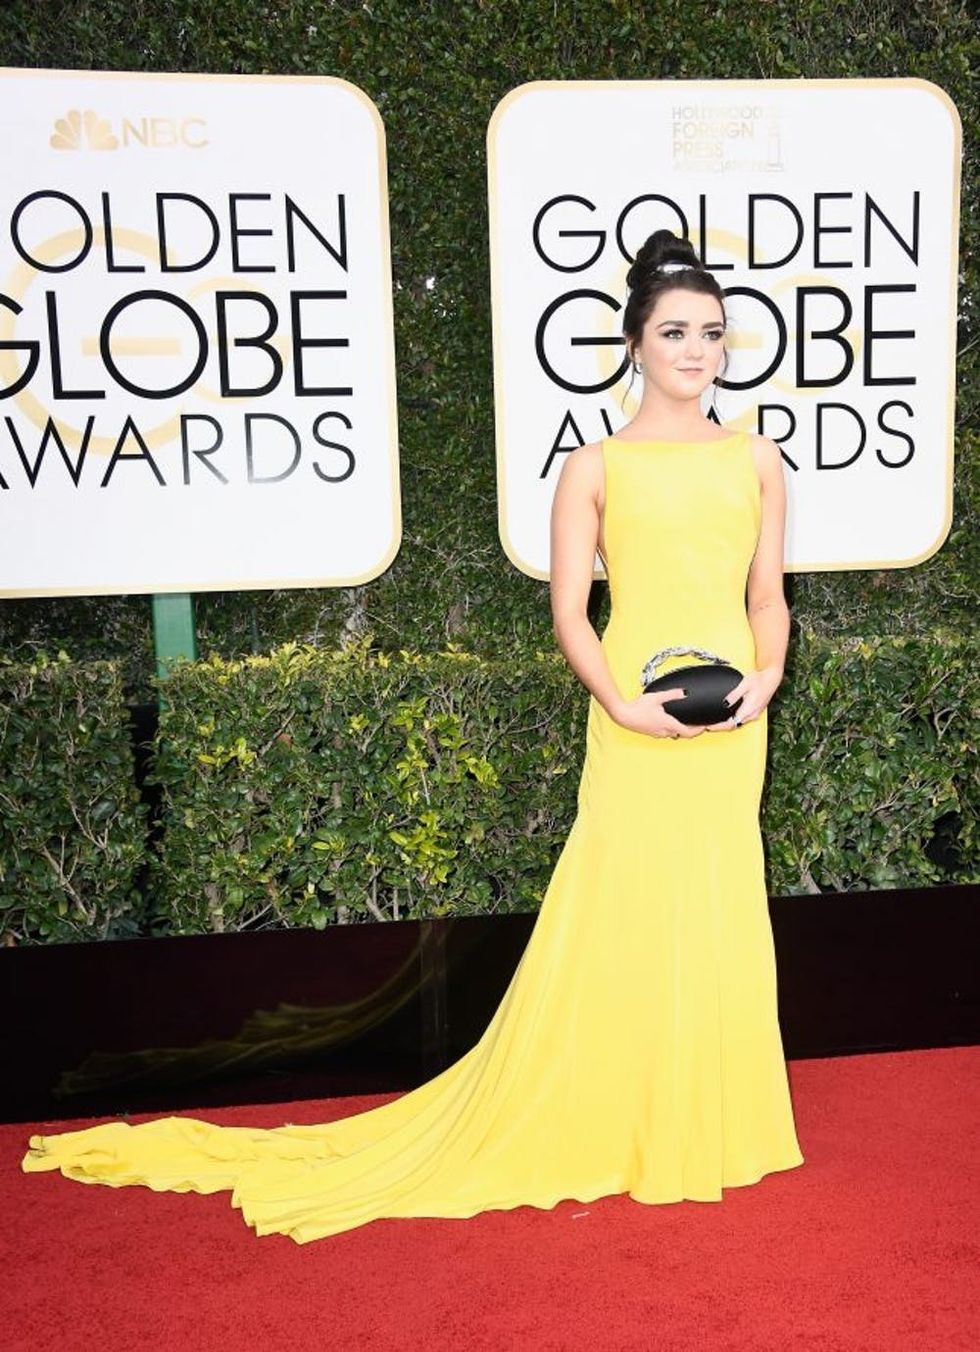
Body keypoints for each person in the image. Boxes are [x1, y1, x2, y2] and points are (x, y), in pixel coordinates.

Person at [22, 228, 804, 1242]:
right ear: (633, 344)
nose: (695, 350)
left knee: (717, 895)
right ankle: (622, 1105)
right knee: (624, 898)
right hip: (633, 717)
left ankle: (710, 1112)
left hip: (733, 724)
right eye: (674, 332)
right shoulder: (594, 466)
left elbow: (767, 597)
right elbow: (571, 614)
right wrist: (618, 704)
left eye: (710, 332)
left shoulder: (755, 456)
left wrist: (766, 678)